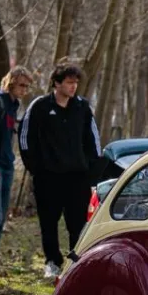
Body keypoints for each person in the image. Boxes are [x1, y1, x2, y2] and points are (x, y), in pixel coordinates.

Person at [18, 63, 102, 280]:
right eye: (69, 82)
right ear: (57, 83)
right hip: (48, 177)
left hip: (77, 177)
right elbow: (25, 138)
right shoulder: (40, 107)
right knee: (48, 222)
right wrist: (36, 168)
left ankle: (76, 262)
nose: (73, 87)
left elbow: (93, 140)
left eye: (76, 82)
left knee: (77, 223)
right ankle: (52, 262)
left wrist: (92, 170)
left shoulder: (82, 107)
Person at [0, 67, 33, 274]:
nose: (24, 90)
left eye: (27, 86)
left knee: (0, 218)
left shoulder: (14, 106)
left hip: (7, 165)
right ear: (11, 83)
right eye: (21, 85)